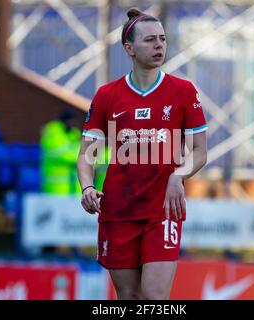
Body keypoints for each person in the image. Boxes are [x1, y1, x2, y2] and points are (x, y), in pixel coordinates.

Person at [77, 8, 207, 300]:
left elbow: (199, 151)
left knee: (154, 297)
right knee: (129, 298)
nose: (159, 45)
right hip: (118, 211)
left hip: (162, 211)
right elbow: (88, 155)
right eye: (150, 40)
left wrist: (179, 174)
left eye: (162, 39)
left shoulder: (183, 92)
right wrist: (87, 187)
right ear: (129, 48)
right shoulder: (107, 96)